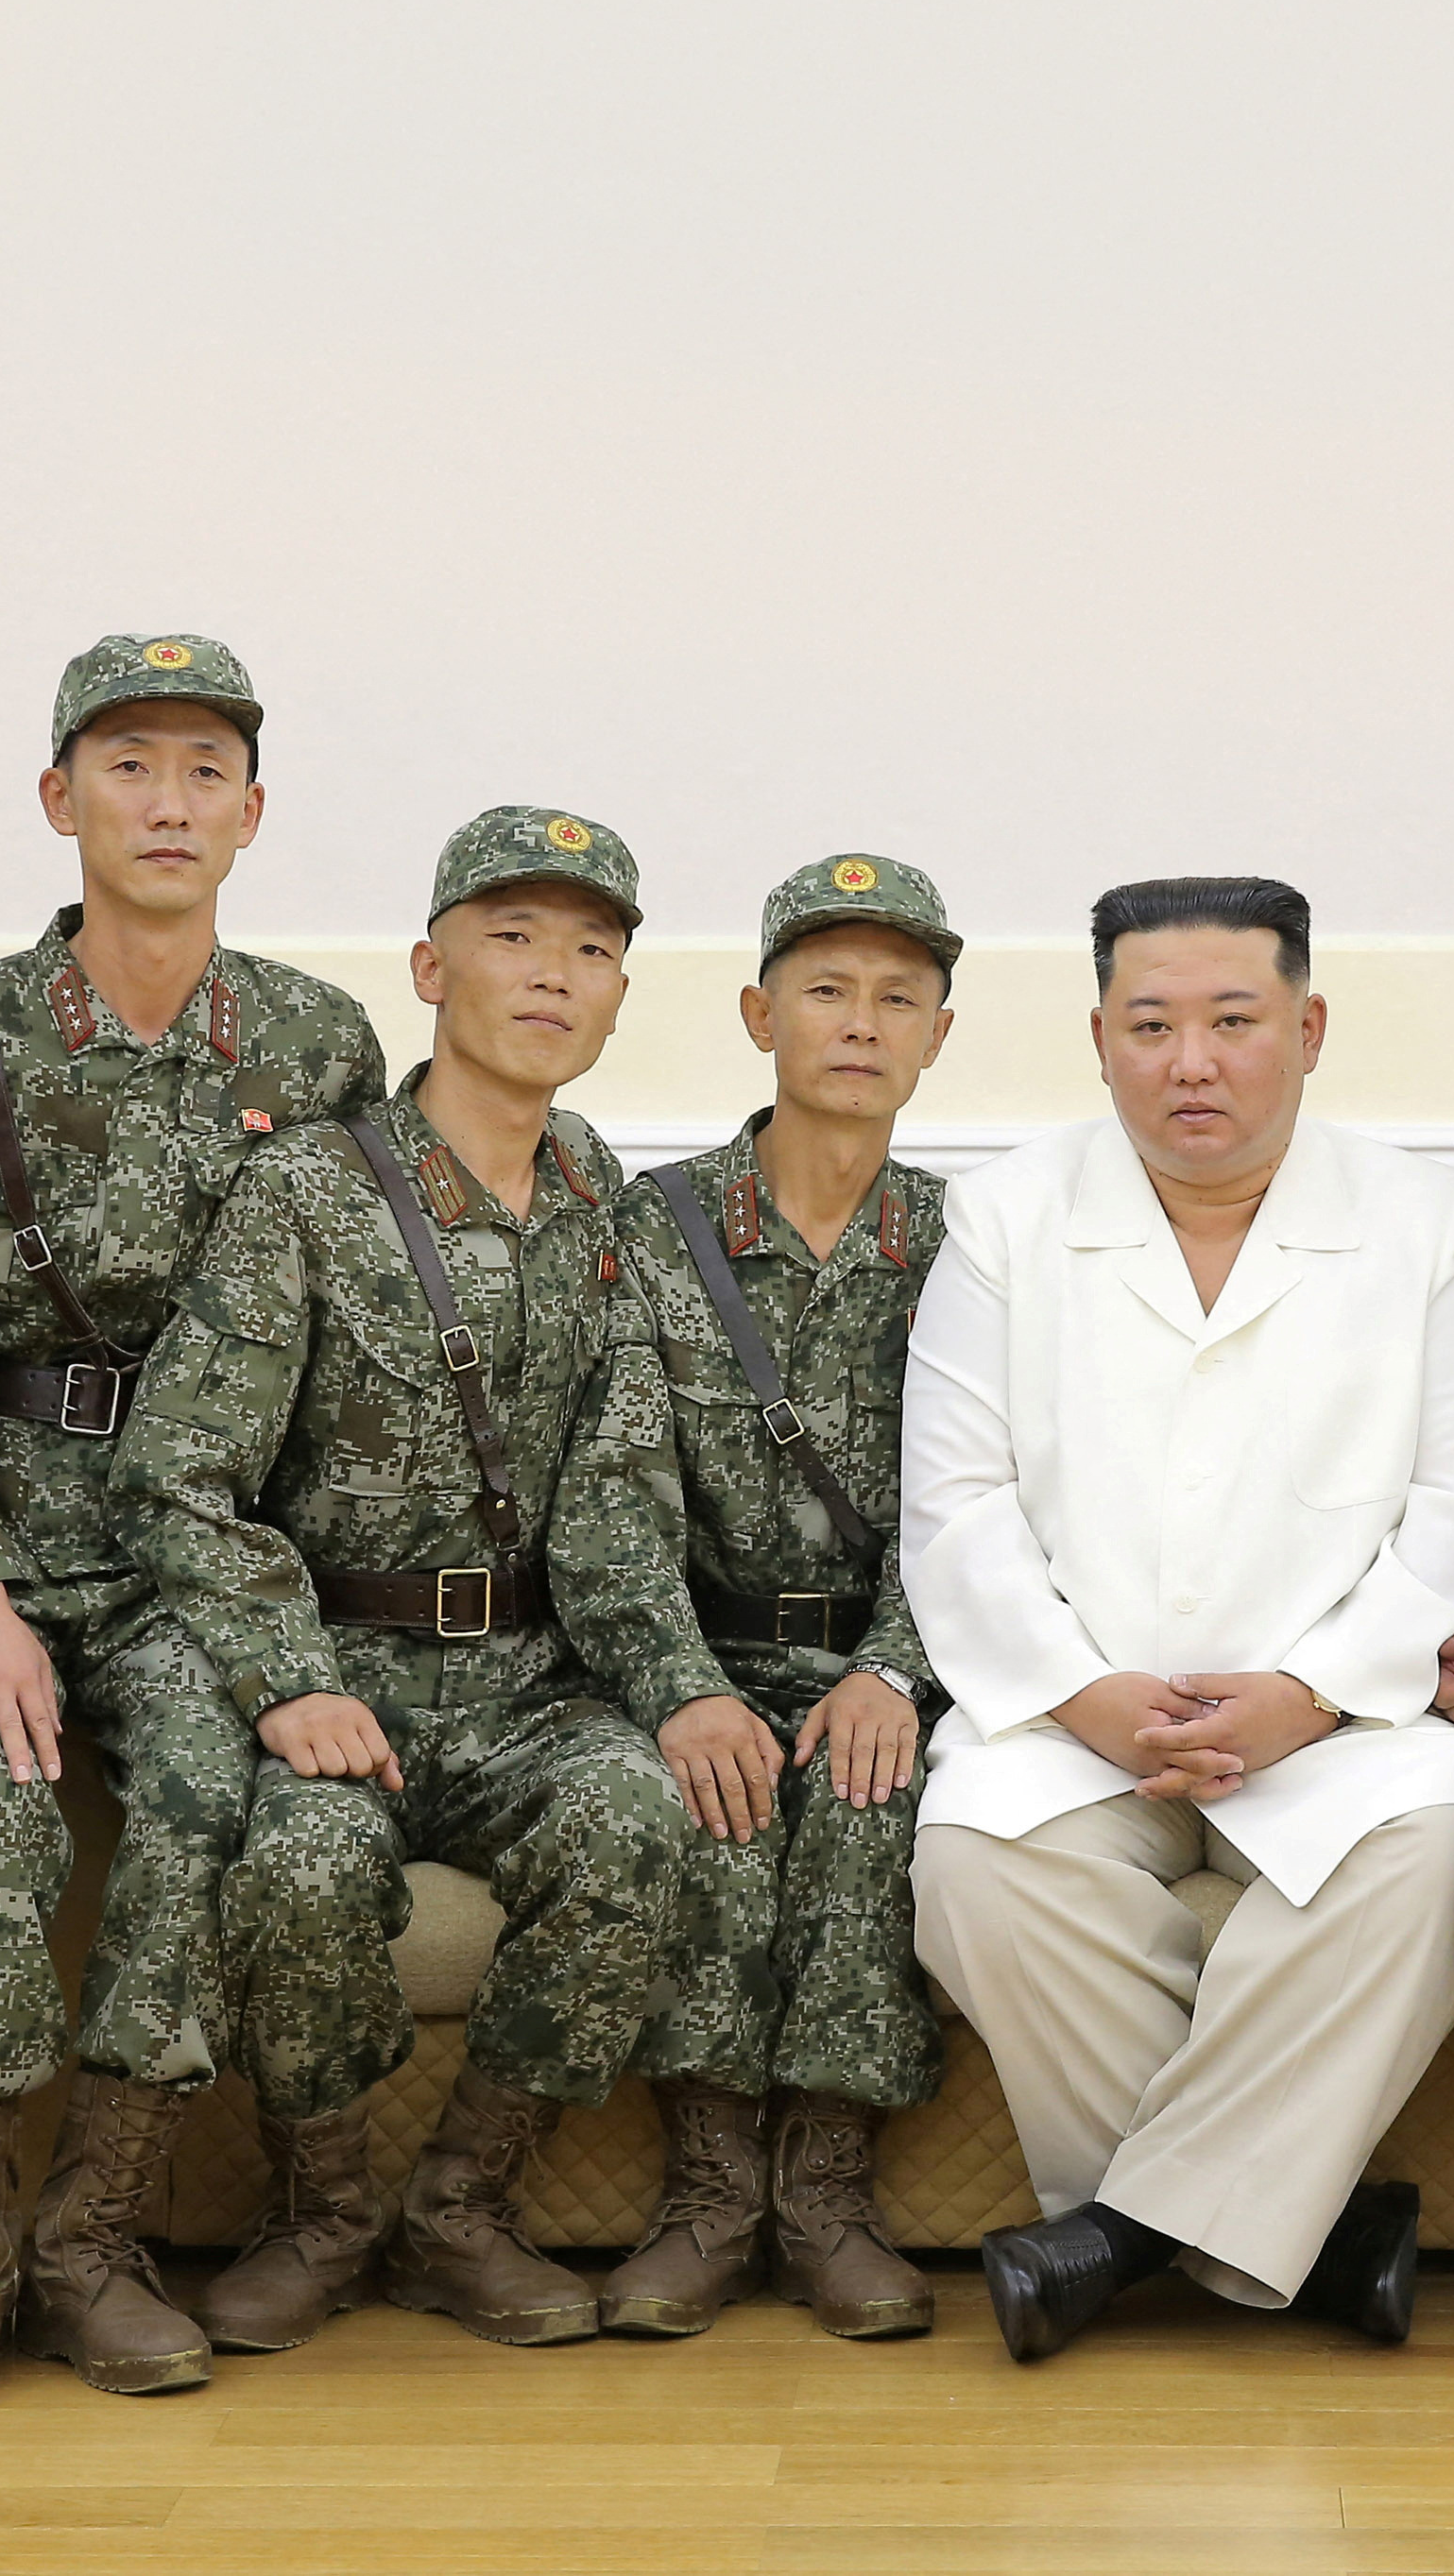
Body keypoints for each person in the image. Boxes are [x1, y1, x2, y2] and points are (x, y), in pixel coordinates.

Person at [0, 634, 387, 2404]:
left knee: (209, 1809)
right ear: (59, 799)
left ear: (253, 813)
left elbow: (353, 1346)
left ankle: (92, 2238)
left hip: (195, 1556)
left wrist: (285, 1621)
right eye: (128, 766)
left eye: (204, 771)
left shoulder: (317, 1044)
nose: (168, 803)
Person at [901, 876, 1454, 2362]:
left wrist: (1310, 1693)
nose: (1194, 1063)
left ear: (1307, 1030)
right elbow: (959, 1501)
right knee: (976, 1866)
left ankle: (1116, 2241)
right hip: (1080, 1717)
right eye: (1153, 1025)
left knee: (1423, 1870)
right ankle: (1310, 2239)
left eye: (1235, 1022)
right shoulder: (1004, 1215)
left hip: (1330, 1725)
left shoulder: (1423, 1220)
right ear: (1099, 1039)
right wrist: (1082, 1694)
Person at [112, 807, 696, 2353]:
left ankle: (459, 2210)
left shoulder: (598, 1193)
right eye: (513, 939)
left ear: (622, 996)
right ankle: (326, 2214)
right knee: (302, 1868)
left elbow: (619, 1502)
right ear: (432, 967)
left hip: (524, 1685)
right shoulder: (310, 1191)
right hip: (340, 1676)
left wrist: (679, 1696)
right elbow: (176, 1470)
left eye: (592, 950)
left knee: (635, 1811)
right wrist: (286, 1677)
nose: (554, 977)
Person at [554, 853, 963, 2342]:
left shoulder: (969, 1252)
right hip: (693, 1649)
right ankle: (711, 2191)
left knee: (869, 1799)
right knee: (716, 1795)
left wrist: (897, 1672)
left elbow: (988, 1507)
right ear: (757, 1014)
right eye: (826, 992)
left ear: (938, 1037)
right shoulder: (647, 1230)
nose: (860, 1023)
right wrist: (682, 1687)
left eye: (897, 998)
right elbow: (603, 1496)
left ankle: (828, 2194)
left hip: (885, 1662)